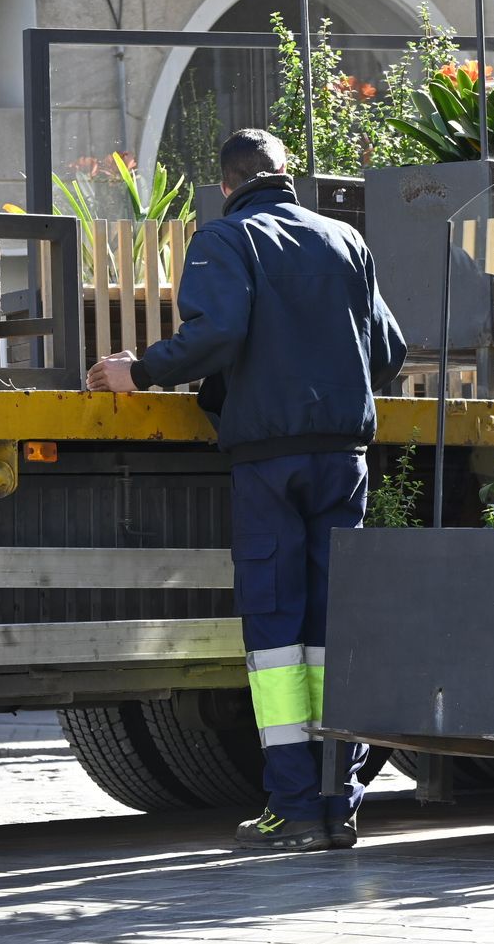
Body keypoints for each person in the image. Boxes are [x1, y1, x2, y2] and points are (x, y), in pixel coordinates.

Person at [88, 128, 406, 851]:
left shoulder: (225, 239)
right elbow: (387, 350)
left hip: (269, 463)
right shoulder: (345, 240)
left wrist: (140, 370)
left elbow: (219, 332)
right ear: (285, 174)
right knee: (332, 632)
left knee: (276, 635)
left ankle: (294, 810)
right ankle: (339, 806)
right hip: (344, 459)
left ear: (227, 184)